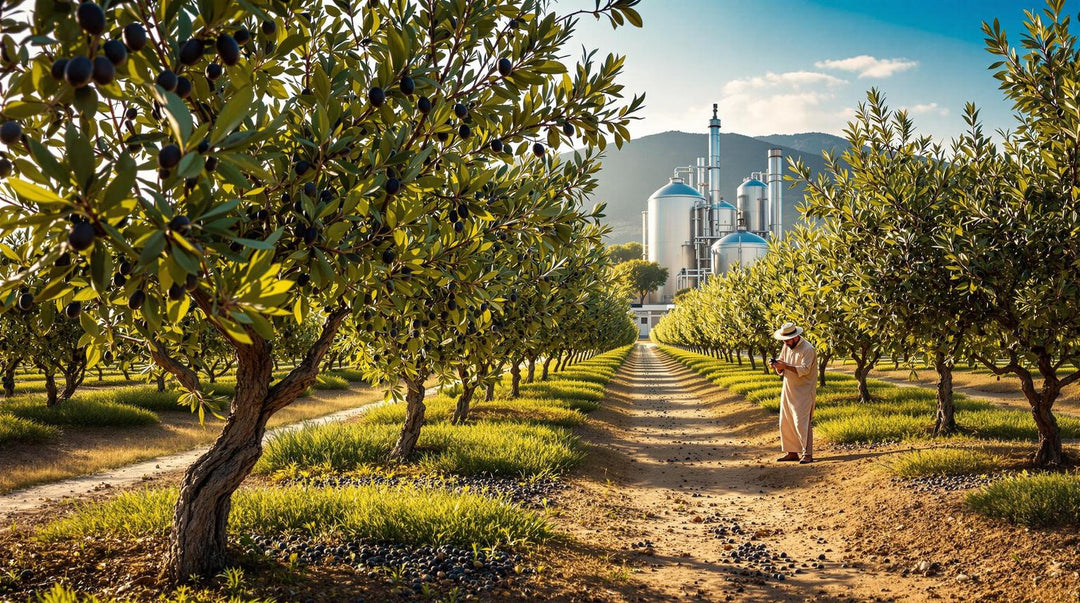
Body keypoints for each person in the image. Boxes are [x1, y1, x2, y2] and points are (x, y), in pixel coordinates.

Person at [769, 322, 817, 464]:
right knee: (786, 420)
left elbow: (805, 369)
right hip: (788, 387)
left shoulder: (808, 349)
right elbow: (783, 365)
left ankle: (807, 453)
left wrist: (785, 366)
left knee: (801, 421)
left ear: (796, 337)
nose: (786, 342)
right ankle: (792, 452)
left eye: (788, 339)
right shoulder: (787, 346)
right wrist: (777, 366)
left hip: (804, 390)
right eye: (784, 340)